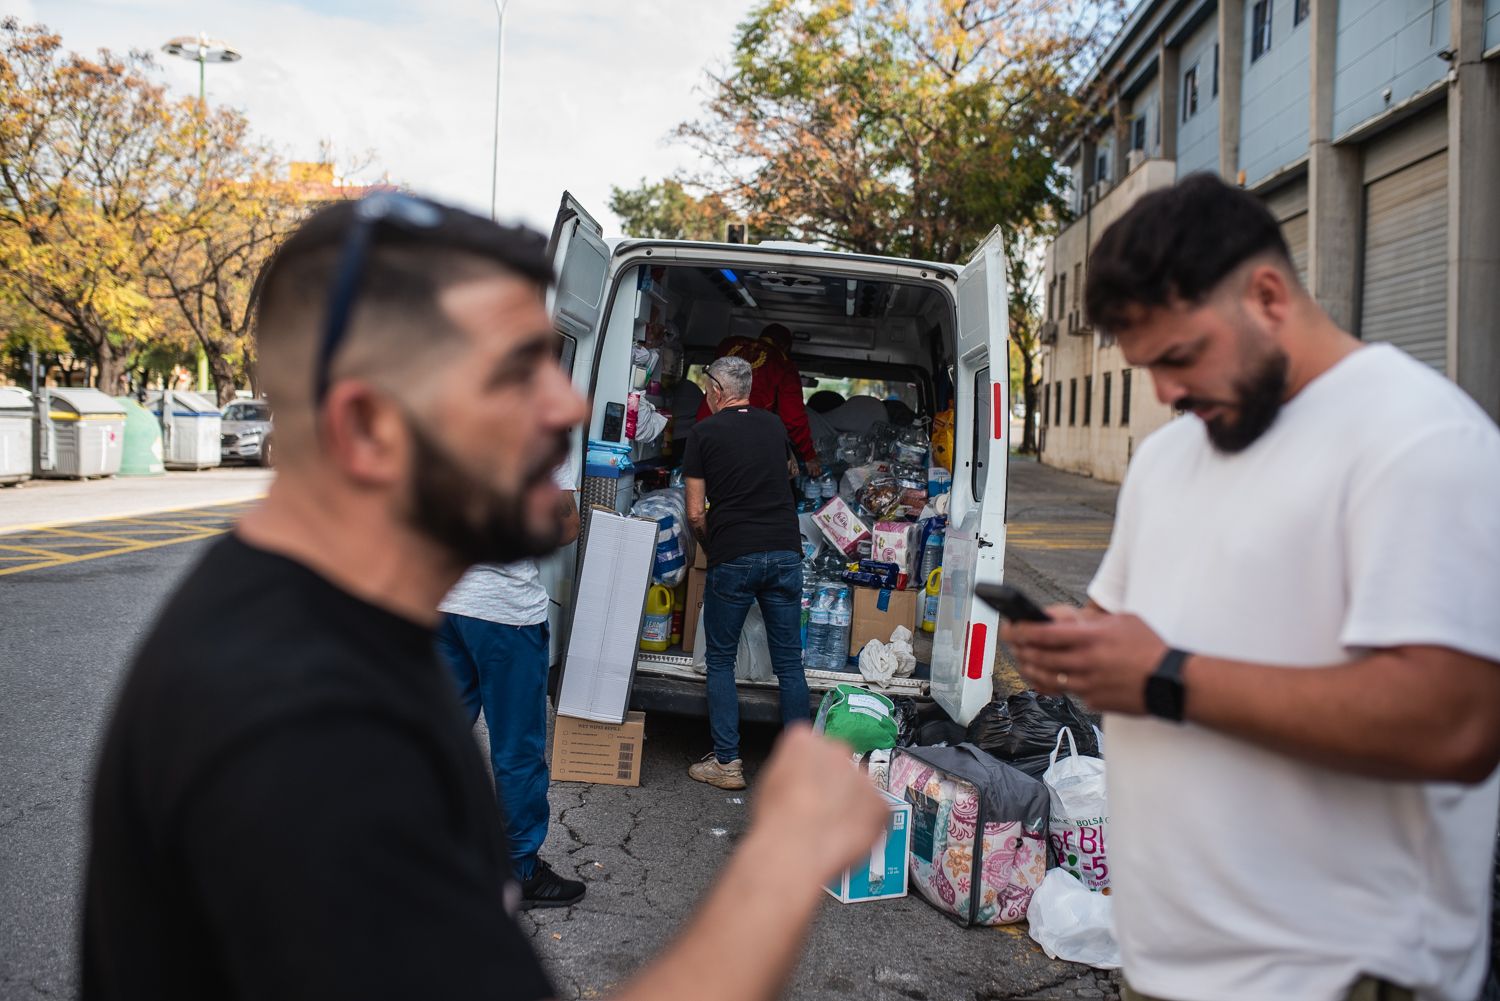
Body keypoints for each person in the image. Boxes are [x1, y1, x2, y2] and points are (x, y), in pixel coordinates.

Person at [82, 193, 888, 1001]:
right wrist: (784, 859)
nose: (569, 406)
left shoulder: (347, 632)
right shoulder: (305, 731)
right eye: (513, 374)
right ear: (367, 429)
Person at [1002, 174, 1500, 1001]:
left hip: (1335, 976)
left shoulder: (1419, 440)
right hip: (1161, 963)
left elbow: (1456, 721)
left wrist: (1165, 677)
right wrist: (1067, 650)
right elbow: (1113, 629)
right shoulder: (1170, 457)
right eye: (1145, 367)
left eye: (1181, 356)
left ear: (1268, 296)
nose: (1164, 393)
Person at [436, 466, 584, 909]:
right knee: (516, 750)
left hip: (442, 603)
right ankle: (518, 871)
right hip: (505, 614)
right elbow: (565, 527)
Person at [682, 355, 810, 790]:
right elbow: (788, 472)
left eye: (705, 388)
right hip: (785, 550)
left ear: (717, 389)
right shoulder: (774, 426)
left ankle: (728, 763)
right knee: (790, 664)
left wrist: (714, 548)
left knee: (720, 659)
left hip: (735, 552)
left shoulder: (702, 433)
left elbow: (696, 513)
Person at [696, 322, 821, 475]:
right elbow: (793, 417)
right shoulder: (783, 364)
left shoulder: (728, 344)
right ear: (786, 348)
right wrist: (809, 455)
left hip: (705, 427)